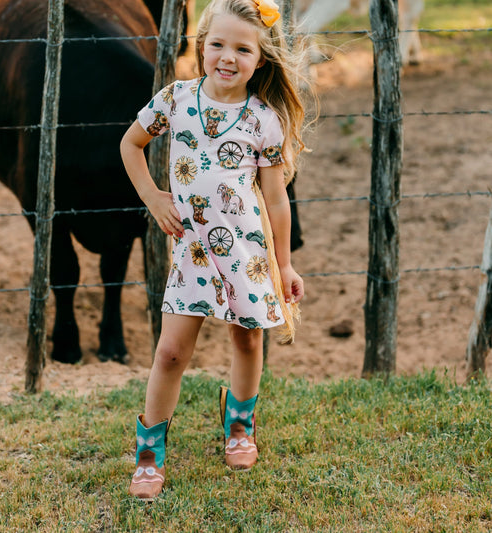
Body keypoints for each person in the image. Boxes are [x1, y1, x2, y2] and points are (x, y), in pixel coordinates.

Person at [120, 0, 306, 501]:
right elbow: (130, 144)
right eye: (218, 44)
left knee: (247, 340)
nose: (228, 57)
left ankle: (240, 426)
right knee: (172, 351)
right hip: (192, 253)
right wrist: (154, 196)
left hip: (246, 252)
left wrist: (284, 264)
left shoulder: (264, 120)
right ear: (202, 47)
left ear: (260, 60)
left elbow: (276, 199)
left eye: (242, 48)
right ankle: (148, 455)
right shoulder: (176, 99)